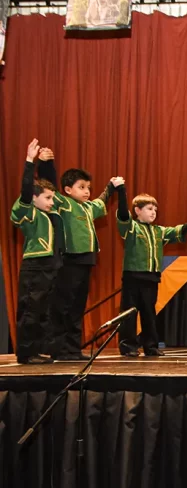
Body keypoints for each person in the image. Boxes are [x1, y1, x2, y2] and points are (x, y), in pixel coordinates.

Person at [36, 148, 119, 360]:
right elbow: (49, 185)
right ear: (67, 190)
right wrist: (46, 164)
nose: (86, 191)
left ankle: (73, 348)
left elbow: (101, 201)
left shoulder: (89, 207)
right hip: (69, 261)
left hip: (86, 262)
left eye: (88, 187)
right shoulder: (64, 203)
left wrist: (111, 186)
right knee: (62, 305)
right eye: (81, 187)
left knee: (77, 306)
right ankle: (57, 348)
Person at [115, 184, 187, 356]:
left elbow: (179, 230)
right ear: (137, 210)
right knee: (129, 313)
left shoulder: (159, 231)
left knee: (149, 313)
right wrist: (121, 191)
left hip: (151, 278)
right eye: (149, 209)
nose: (153, 212)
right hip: (133, 276)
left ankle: (151, 346)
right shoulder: (131, 227)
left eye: (155, 209)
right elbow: (123, 215)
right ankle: (128, 347)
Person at [10, 140, 63, 364]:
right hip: (35, 266)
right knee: (30, 310)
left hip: (49, 265)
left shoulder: (48, 214)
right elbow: (26, 190)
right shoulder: (28, 212)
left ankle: (38, 350)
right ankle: (26, 353)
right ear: (34, 198)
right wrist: (30, 161)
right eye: (48, 198)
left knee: (44, 310)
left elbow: (49, 183)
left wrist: (47, 163)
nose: (52, 202)